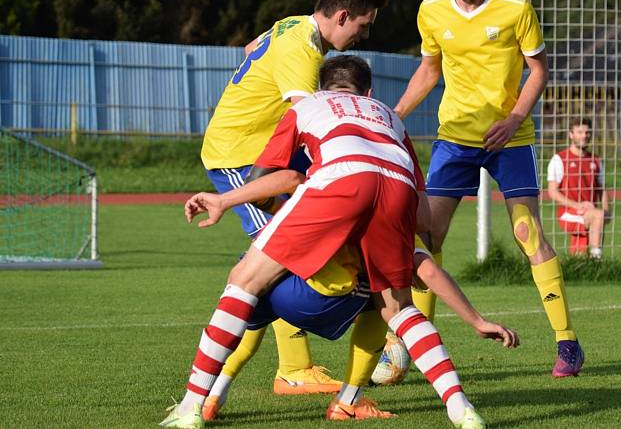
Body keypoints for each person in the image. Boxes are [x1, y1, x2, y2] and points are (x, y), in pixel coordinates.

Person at [161, 56, 493, 428]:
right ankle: (461, 409)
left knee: (245, 280)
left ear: (321, 88)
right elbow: (424, 221)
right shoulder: (390, 117)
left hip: (340, 182)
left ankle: (191, 406)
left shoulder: (308, 106)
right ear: (368, 92)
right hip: (397, 191)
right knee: (397, 309)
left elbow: (274, 175)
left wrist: (226, 200)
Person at [393, 0, 584, 378]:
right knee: (426, 237)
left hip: (510, 139)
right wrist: (393, 115)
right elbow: (429, 69)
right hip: (454, 138)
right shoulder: (432, 9)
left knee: (527, 233)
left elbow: (538, 70)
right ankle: (416, 346)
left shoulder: (516, 7)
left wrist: (515, 118)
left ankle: (567, 343)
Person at [199, 0, 388, 398]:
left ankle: (246, 380)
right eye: (363, 25)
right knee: (277, 260)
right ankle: (287, 370)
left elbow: (251, 48)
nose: (364, 35)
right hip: (242, 160)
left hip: (267, 152)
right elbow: (315, 124)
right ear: (342, 16)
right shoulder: (303, 53)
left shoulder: (295, 25)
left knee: (285, 257)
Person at [547, 117, 610, 260]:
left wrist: (607, 210)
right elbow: (552, 192)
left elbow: (602, 188)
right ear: (571, 134)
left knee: (579, 256)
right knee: (598, 216)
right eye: (579, 132)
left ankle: (582, 267)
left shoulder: (596, 160)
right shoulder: (559, 159)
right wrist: (578, 205)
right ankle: (597, 259)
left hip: (590, 212)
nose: (584, 136)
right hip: (568, 212)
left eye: (587, 133)